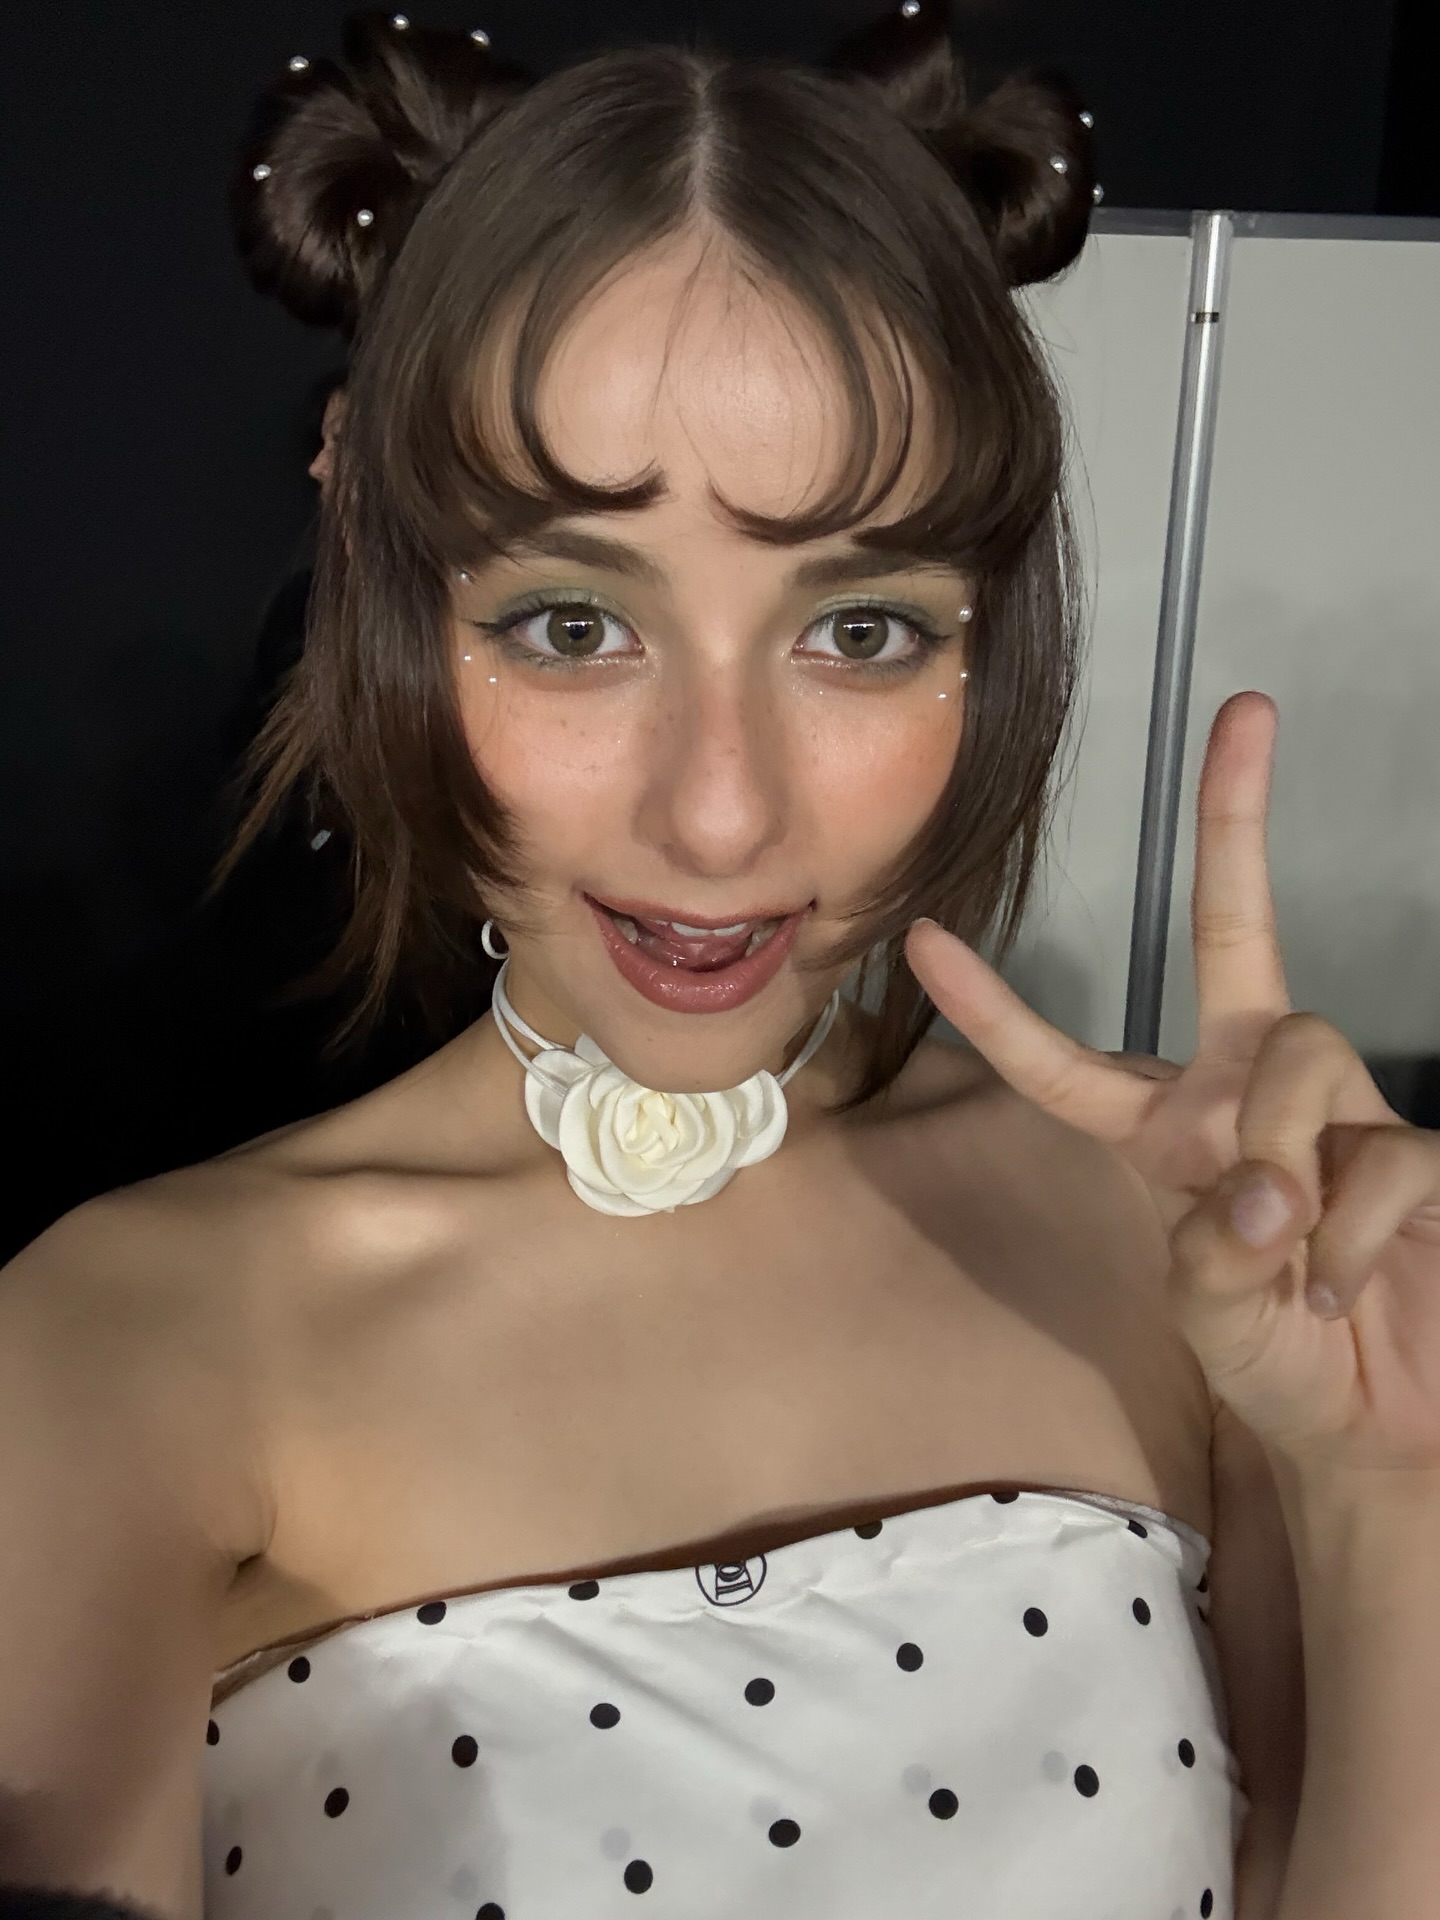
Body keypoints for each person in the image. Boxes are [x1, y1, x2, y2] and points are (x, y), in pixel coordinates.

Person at [3, 6, 1438, 1918]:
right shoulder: (128, 1343)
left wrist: (1387, 1494)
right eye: (572, 624)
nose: (722, 817)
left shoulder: (1178, 1244)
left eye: (860, 631)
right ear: (387, 596)